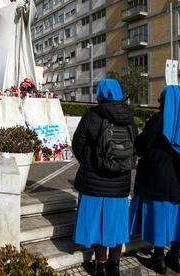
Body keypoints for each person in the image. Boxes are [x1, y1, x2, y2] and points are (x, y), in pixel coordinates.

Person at [129, 85, 180, 274]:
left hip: (158, 180)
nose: (159, 103)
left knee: (158, 219)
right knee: (177, 220)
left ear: (166, 101)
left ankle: (158, 258)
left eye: (161, 99)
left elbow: (141, 145)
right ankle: (175, 256)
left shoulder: (159, 119)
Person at [72, 79, 138, 276]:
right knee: (116, 226)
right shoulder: (129, 117)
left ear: (100, 93)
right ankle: (114, 266)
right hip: (119, 183)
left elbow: (77, 144)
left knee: (97, 225)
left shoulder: (92, 115)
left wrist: (89, 161)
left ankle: (100, 266)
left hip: (94, 183)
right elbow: (135, 145)